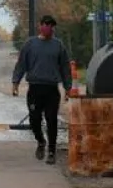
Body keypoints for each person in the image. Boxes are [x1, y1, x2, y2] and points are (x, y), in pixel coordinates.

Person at [11, 15, 72, 165]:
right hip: (35, 89)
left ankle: (51, 151)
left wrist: (67, 87)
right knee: (34, 119)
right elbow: (21, 65)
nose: (48, 28)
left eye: (51, 26)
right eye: (46, 24)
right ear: (40, 26)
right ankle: (41, 141)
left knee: (52, 120)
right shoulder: (30, 44)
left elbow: (65, 67)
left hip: (51, 89)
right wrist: (15, 83)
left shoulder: (58, 45)